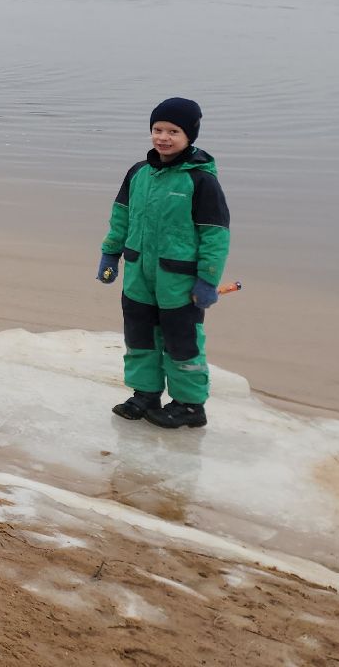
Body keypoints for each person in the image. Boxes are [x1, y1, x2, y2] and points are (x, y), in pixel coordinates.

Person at [98, 97, 230, 429]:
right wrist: (110, 254)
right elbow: (121, 218)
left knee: (182, 343)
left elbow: (215, 236)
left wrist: (207, 280)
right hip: (139, 274)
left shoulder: (201, 181)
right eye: (157, 129)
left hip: (179, 281)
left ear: (190, 136)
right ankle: (145, 394)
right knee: (139, 336)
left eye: (173, 131)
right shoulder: (138, 173)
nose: (163, 137)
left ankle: (189, 405)